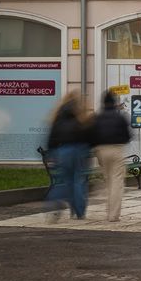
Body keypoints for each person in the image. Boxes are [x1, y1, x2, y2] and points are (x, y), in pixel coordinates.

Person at [46, 92, 93, 220]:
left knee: (66, 181)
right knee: (79, 181)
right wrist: (89, 150)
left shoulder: (58, 116)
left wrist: (51, 153)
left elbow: (52, 135)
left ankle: (57, 202)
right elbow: (89, 135)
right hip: (79, 150)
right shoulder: (81, 116)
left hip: (63, 150)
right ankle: (80, 212)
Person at [94, 90, 133, 222]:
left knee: (108, 180)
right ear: (114, 102)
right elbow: (128, 136)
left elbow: (91, 136)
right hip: (116, 149)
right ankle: (113, 215)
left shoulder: (97, 117)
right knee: (116, 182)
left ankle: (108, 210)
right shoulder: (120, 117)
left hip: (101, 151)